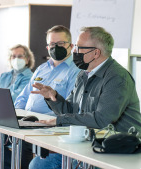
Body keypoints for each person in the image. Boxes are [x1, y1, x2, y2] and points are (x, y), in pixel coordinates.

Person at [30, 26, 141, 169]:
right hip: (87, 142)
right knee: (38, 164)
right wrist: (54, 97)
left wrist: (59, 120)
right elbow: (71, 110)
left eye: (79, 47)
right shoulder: (83, 74)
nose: (74, 51)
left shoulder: (117, 77)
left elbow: (102, 119)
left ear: (95, 53)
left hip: (116, 148)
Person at [0, 25, 80, 169]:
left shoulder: (76, 71)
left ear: (71, 45)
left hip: (48, 126)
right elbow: (23, 97)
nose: (56, 47)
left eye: (60, 44)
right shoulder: (42, 68)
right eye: (52, 44)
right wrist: (17, 115)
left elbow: (70, 108)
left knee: (21, 146)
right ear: (47, 47)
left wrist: (41, 120)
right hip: (27, 121)